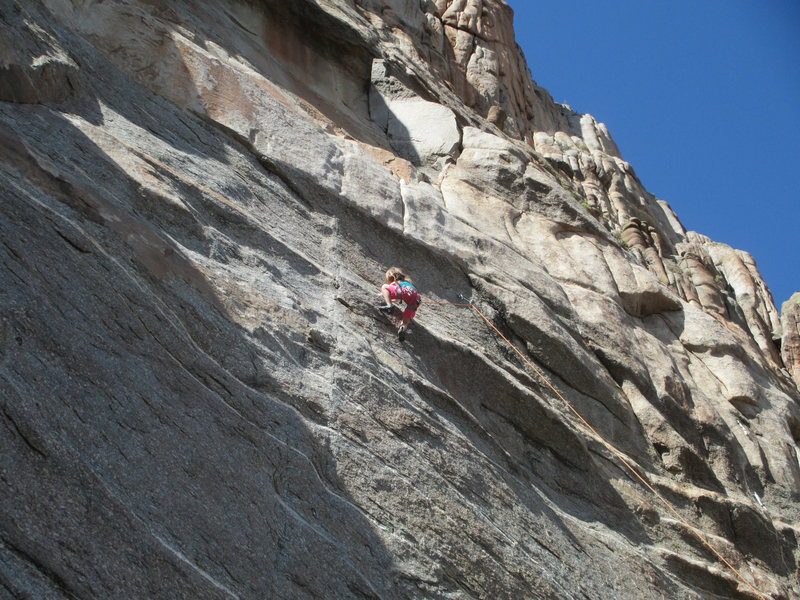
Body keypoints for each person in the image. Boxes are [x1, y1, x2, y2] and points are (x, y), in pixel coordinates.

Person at [378, 267, 421, 341]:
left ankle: (389, 306)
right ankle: (402, 329)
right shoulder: (407, 284)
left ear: (392, 277)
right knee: (405, 322)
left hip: (404, 292)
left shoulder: (397, 282)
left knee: (384, 287)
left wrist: (383, 295)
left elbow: (394, 292)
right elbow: (398, 298)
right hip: (417, 299)